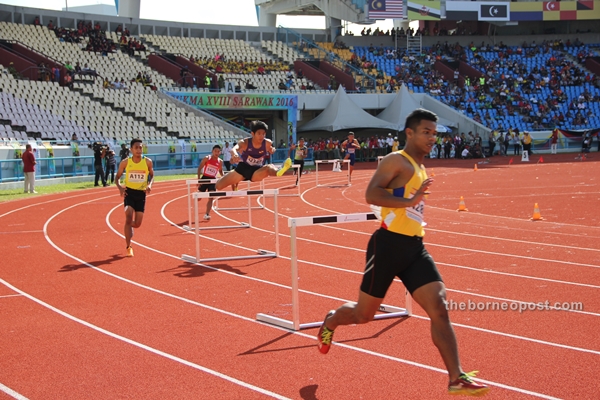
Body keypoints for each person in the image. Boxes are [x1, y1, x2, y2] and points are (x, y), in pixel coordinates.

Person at [316, 109, 490, 397]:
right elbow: (372, 195)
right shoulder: (396, 160)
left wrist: (413, 202)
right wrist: (411, 199)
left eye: (434, 133)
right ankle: (332, 320)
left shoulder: (420, 167)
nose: (432, 137)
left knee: (440, 308)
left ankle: (455, 378)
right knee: (363, 316)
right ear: (409, 133)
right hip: (387, 246)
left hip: (414, 248)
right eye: (426, 132)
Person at [215, 121, 292, 190]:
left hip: (257, 171)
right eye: (259, 133)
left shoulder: (267, 143)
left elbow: (271, 149)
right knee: (218, 185)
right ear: (252, 133)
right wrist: (234, 154)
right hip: (242, 170)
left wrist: (272, 150)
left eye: (264, 134)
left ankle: (278, 171)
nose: (262, 136)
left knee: (268, 167)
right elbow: (234, 149)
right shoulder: (245, 142)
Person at [115, 138, 154, 257]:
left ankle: (129, 227)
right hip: (129, 193)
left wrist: (150, 184)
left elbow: (152, 175)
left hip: (141, 194)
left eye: (140, 147)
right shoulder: (125, 162)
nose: (139, 150)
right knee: (128, 217)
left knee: (137, 224)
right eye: (136, 148)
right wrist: (120, 188)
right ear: (131, 149)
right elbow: (116, 177)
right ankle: (128, 246)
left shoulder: (147, 162)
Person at [197, 145, 224, 220]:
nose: (217, 153)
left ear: (220, 152)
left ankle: (207, 214)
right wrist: (199, 180)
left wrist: (224, 178)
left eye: (218, 151)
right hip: (204, 178)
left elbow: (221, 171)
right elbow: (199, 168)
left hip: (213, 180)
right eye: (215, 151)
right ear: (212, 151)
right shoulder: (207, 158)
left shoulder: (220, 161)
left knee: (211, 197)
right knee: (198, 198)